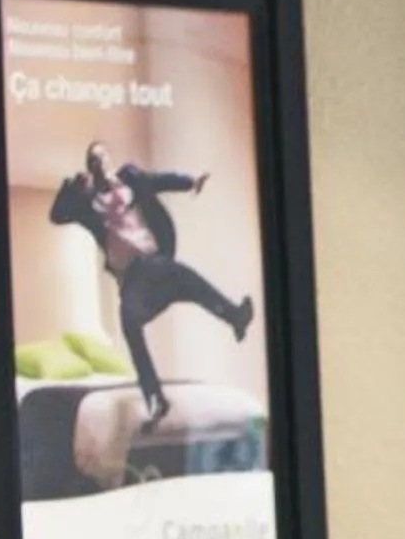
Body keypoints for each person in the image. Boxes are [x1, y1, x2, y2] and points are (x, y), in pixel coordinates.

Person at [46, 140, 253, 423]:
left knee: (190, 280)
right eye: (92, 160)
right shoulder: (87, 205)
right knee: (130, 323)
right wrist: (70, 185)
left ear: (109, 160)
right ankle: (155, 399)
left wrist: (191, 183)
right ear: (89, 168)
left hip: (156, 262)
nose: (99, 164)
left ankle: (236, 317)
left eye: (102, 157)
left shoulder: (131, 178)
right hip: (133, 278)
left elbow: (159, 181)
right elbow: (57, 215)